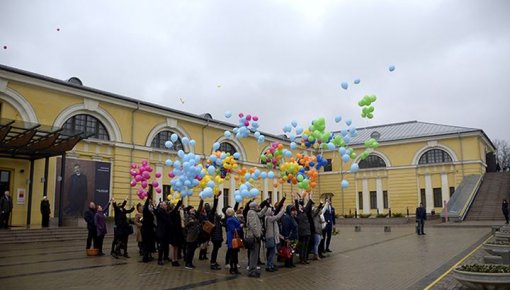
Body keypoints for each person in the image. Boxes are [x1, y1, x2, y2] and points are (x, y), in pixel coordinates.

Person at [245, 200, 269, 278]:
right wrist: (258, 235)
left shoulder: (253, 212)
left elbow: (261, 214)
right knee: (254, 254)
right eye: (257, 206)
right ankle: (252, 270)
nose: (258, 206)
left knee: (255, 254)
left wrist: (266, 207)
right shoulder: (251, 213)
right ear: (254, 207)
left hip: (255, 236)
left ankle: (253, 268)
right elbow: (253, 226)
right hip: (254, 237)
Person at [264, 200, 285, 272]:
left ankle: (271, 265)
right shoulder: (269, 218)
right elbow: (277, 217)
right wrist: (282, 210)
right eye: (271, 211)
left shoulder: (267, 218)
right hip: (270, 237)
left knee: (271, 252)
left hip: (270, 237)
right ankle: (269, 266)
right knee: (272, 253)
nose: (272, 212)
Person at [225, 207, 242, 275]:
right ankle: (232, 269)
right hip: (232, 238)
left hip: (233, 237)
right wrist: (240, 226)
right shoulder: (230, 219)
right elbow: (233, 229)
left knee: (235, 254)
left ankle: (235, 268)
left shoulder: (232, 218)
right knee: (232, 254)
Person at [184, 205, 201, 269]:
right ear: (189, 210)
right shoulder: (187, 216)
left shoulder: (194, 215)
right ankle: (187, 264)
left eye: (193, 208)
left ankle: (190, 263)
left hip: (195, 236)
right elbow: (185, 225)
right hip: (190, 236)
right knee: (189, 251)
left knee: (192, 251)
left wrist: (201, 201)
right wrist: (190, 222)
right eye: (192, 209)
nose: (193, 209)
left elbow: (199, 210)